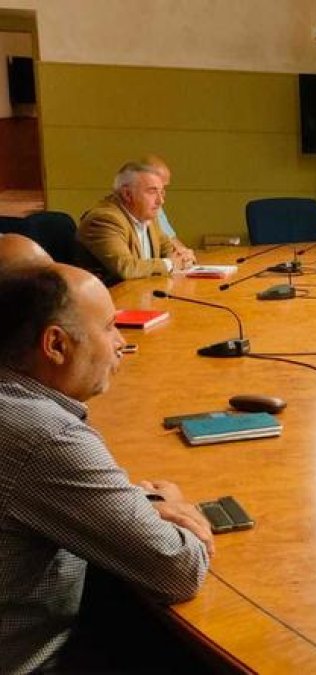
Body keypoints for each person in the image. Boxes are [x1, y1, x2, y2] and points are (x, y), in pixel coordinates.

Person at [0, 263, 212, 673]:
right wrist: (177, 508)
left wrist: (137, 503)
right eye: (110, 327)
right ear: (56, 345)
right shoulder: (47, 436)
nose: (121, 344)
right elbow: (176, 569)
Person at [78, 161, 195, 283]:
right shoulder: (105, 220)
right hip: (110, 298)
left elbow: (170, 250)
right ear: (127, 194)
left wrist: (184, 257)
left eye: (161, 192)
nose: (160, 201)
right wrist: (170, 263)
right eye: (152, 192)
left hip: (142, 293)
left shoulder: (147, 216)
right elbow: (126, 268)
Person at [142, 154, 198, 264]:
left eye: (163, 189)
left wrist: (185, 254)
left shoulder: (156, 206)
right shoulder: (114, 217)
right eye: (155, 189)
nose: (161, 197)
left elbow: (171, 240)